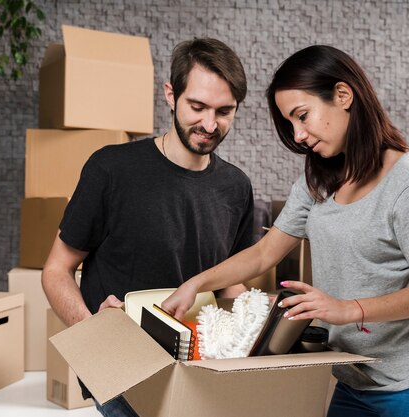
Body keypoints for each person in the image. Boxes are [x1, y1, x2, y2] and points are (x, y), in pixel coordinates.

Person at [162, 45, 409, 417]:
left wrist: (343, 309)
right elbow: (263, 253)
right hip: (353, 375)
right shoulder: (319, 180)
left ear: (343, 95)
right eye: (290, 123)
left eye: (302, 116)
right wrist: (197, 284)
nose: (299, 135)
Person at [42, 38, 254, 417]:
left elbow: (229, 280)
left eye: (224, 111)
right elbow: (56, 271)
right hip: (121, 367)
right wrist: (92, 331)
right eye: (197, 106)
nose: (210, 124)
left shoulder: (236, 187)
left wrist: (262, 322)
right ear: (171, 95)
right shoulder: (111, 169)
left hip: (200, 367)